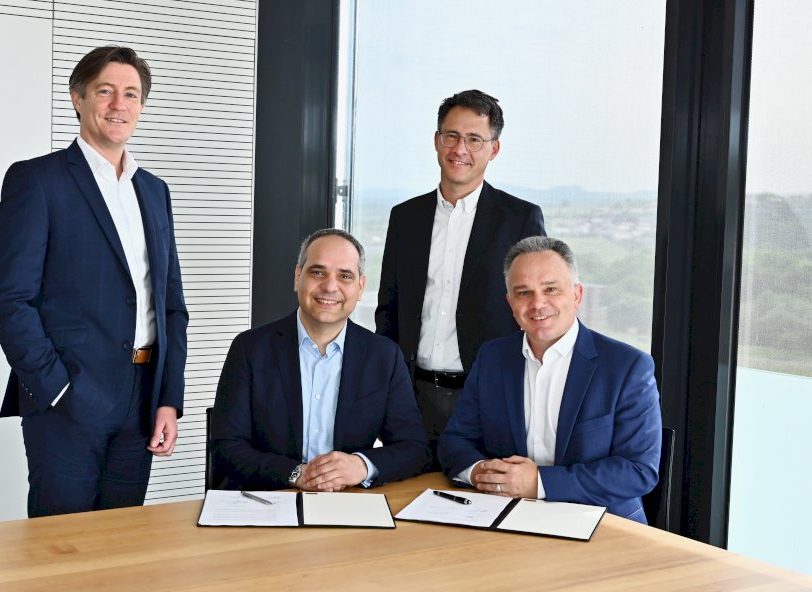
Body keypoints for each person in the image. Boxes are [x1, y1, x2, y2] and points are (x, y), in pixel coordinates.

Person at [0, 46, 188, 517]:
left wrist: (168, 399)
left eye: (131, 94)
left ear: (142, 106)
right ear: (78, 98)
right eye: (105, 91)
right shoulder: (37, 181)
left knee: (121, 540)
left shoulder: (154, 191)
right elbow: (8, 300)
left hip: (143, 399)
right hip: (69, 400)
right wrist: (57, 389)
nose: (119, 104)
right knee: (61, 545)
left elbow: (171, 306)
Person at [376, 89, 546, 468]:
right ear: (437, 140)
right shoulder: (405, 217)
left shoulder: (519, 218)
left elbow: (533, 314)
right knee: (408, 495)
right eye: (451, 136)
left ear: (493, 149)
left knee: (480, 495)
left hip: (486, 398)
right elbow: (389, 308)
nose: (460, 149)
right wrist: (390, 386)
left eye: (474, 139)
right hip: (412, 399)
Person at [437, 236, 661, 522]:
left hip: (602, 523)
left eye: (551, 289)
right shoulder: (492, 357)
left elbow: (638, 471)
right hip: (507, 516)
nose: (538, 304)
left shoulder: (627, 366)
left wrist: (538, 483)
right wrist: (481, 472)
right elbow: (456, 440)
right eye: (523, 293)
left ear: (577, 295)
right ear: (510, 302)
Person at [210, 228, 430, 490]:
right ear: (297, 277)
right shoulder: (250, 348)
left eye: (345, 276)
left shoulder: (384, 356)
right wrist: (296, 474)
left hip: (346, 501)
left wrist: (361, 466)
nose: (330, 286)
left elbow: (414, 448)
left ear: (360, 287)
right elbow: (226, 447)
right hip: (266, 497)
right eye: (317, 272)